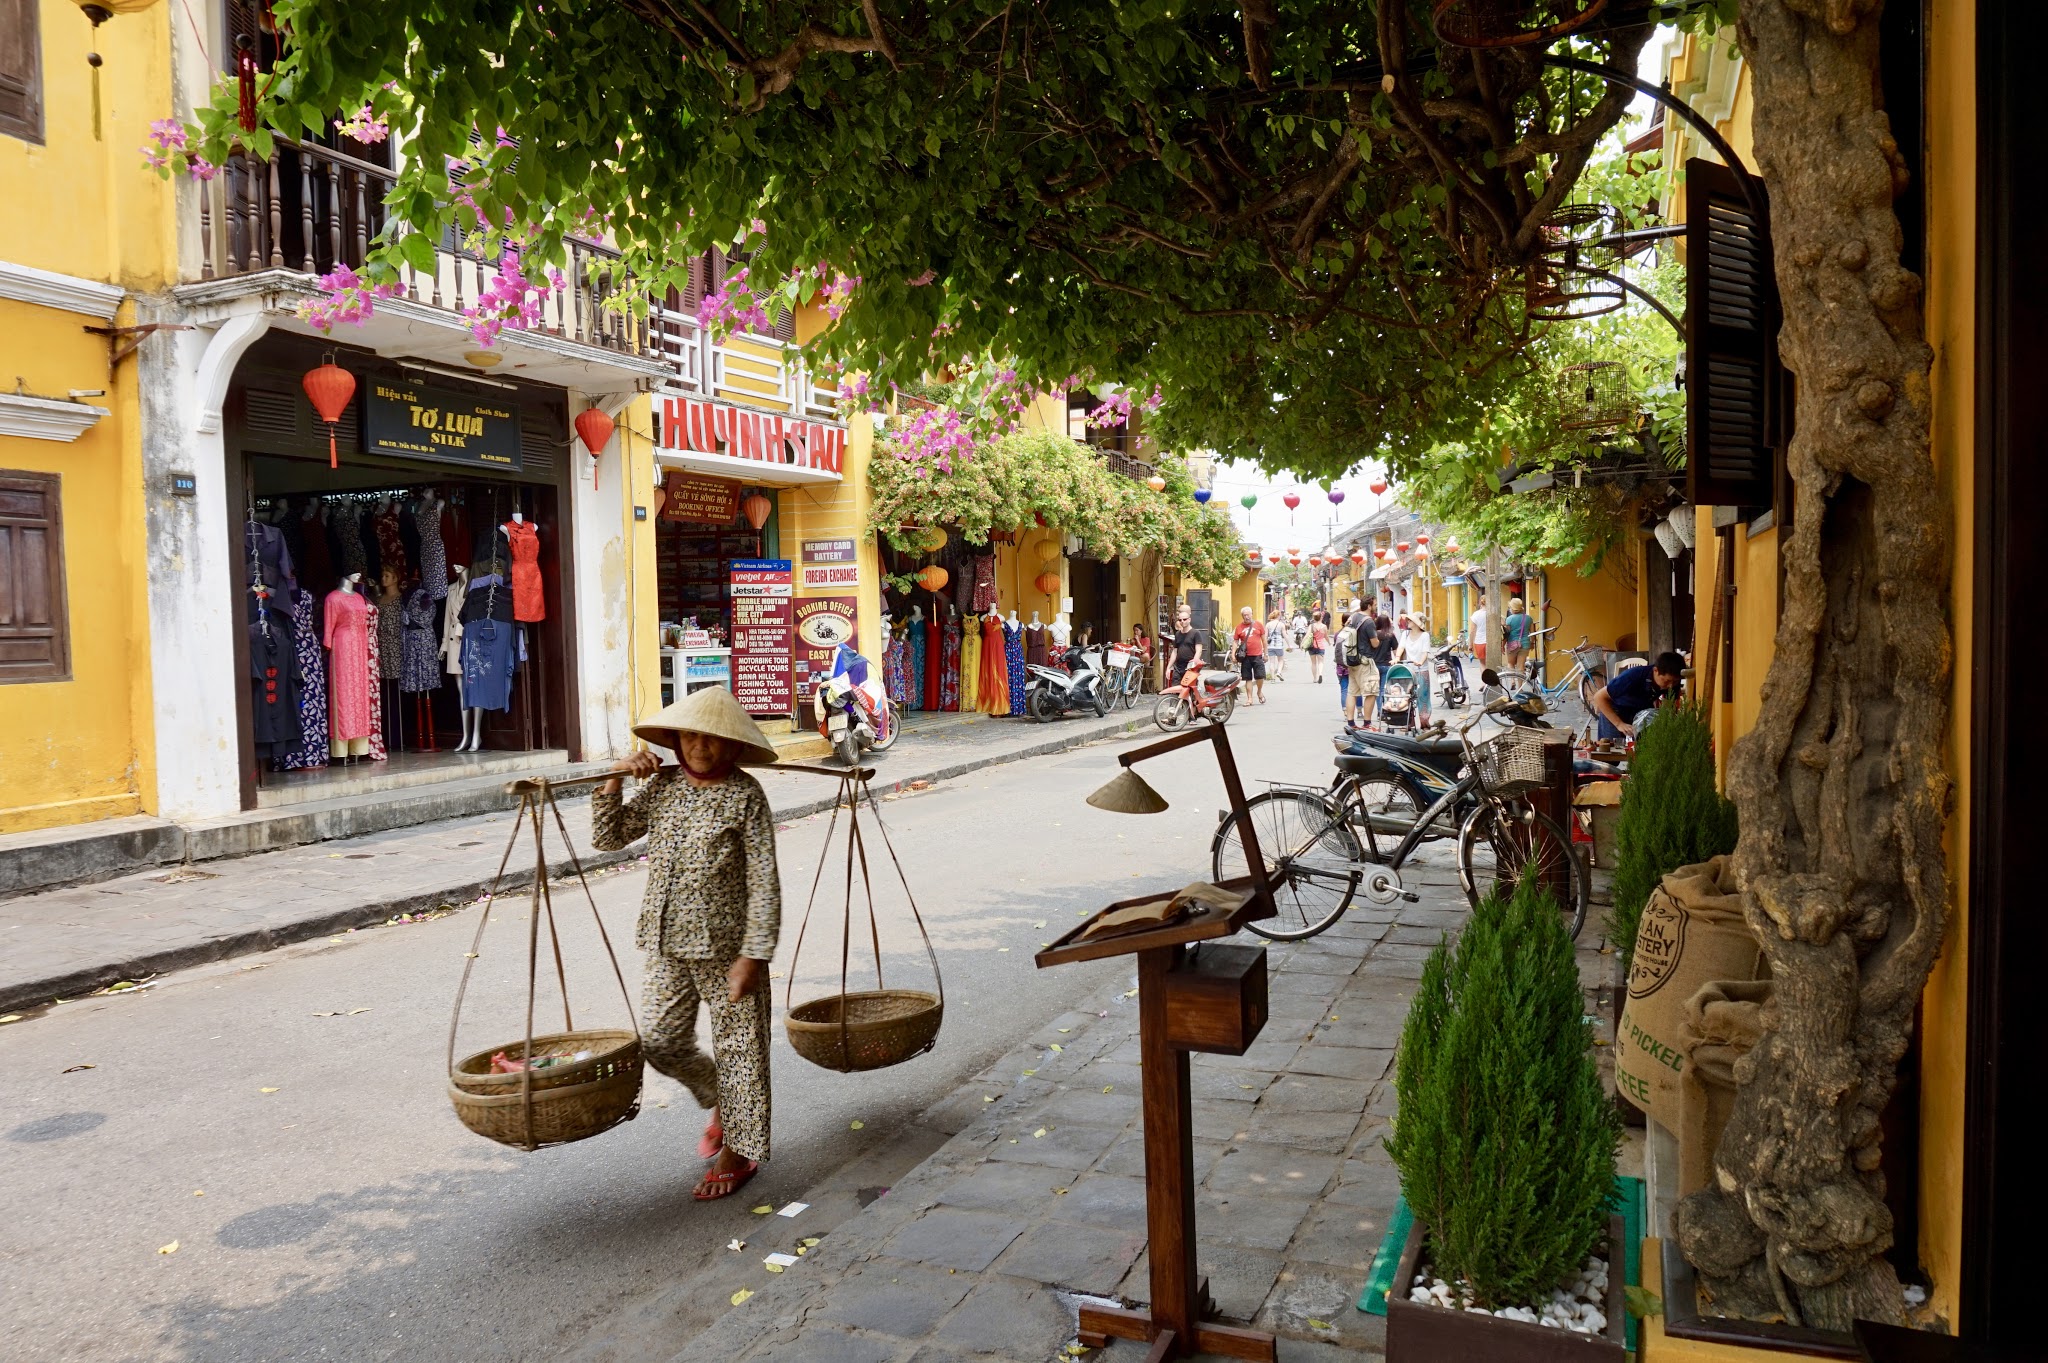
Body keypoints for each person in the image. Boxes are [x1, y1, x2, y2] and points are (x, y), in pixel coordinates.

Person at [591, 685, 784, 1201]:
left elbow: (765, 882)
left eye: (714, 739)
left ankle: (738, 1153)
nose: (701, 747)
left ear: (735, 747)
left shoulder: (746, 796)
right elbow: (609, 838)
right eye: (691, 736)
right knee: (660, 1041)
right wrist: (614, 777)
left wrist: (753, 955)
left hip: (729, 952)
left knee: (742, 1049)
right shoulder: (663, 788)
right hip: (666, 941)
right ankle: (722, 1097)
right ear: (675, 741)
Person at [1593, 650, 1686, 741]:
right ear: (1656, 670)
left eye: (1675, 681)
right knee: (1612, 748)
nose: (1671, 686)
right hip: (1615, 711)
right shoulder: (1633, 676)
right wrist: (1619, 724)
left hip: (1638, 713)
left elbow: (1669, 708)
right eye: (1667, 681)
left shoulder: (1673, 683)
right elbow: (1599, 697)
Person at [1396, 614, 1434, 721]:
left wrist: (1421, 662)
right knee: (1406, 696)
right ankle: (1409, 722)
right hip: (1408, 670)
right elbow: (1401, 647)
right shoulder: (1405, 634)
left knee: (1423, 696)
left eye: (1410, 620)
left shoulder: (1424, 635)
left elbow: (1425, 651)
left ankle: (1424, 721)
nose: (1408, 621)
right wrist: (1397, 657)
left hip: (1421, 669)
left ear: (1417, 623)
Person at [1232, 605, 1268, 704]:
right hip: (1245, 656)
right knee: (1247, 678)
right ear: (1242, 616)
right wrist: (1233, 654)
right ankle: (1249, 699)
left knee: (1260, 676)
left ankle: (1259, 692)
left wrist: (1266, 653)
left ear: (1252, 614)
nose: (1247, 617)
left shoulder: (1259, 625)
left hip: (1257, 655)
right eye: (1244, 615)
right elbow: (1235, 641)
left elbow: (1264, 640)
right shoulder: (1239, 627)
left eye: (1248, 614)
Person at [1167, 605, 1202, 689]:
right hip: (1178, 667)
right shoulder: (1178, 634)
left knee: (1190, 691)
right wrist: (1168, 667)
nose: (1182, 621)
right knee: (1175, 690)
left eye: (1184, 619)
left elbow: (1199, 650)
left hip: (1190, 667)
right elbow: (1175, 652)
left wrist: (1194, 662)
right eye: (1180, 620)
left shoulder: (1195, 633)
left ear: (1189, 619)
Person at [1502, 596, 1532, 674]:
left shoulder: (1509, 619)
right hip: (1525, 644)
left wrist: (1502, 645)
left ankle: (1512, 682)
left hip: (1512, 644)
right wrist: (1532, 643)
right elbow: (1532, 633)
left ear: (1512, 608)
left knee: (1510, 663)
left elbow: (1506, 634)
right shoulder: (1528, 618)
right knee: (1521, 666)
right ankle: (1520, 686)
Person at [1264, 610, 1290, 682]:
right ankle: (1278, 672)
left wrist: (1264, 646)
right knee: (1281, 660)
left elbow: (1265, 636)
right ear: (1278, 616)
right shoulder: (1281, 624)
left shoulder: (1268, 624)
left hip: (1270, 646)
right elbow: (1285, 635)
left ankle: (1272, 678)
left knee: (1272, 662)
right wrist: (1289, 645)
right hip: (1279, 645)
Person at [1307, 614, 1329, 683]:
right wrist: (1329, 642)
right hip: (1320, 646)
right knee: (1321, 662)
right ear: (1321, 618)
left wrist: (1302, 643)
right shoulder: (1324, 626)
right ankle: (1320, 674)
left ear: (1314, 618)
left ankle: (1315, 678)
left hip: (1312, 646)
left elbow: (1307, 635)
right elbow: (1326, 636)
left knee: (1313, 663)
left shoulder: (1311, 626)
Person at [1467, 601, 1490, 666]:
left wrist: (1470, 645)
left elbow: (1472, 631)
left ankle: (1485, 676)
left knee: (1482, 664)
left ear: (1481, 603)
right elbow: (1503, 623)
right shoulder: (1493, 613)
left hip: (1480, 641)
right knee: (1493, 664)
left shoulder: (1476, 614)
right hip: (1492, 642)